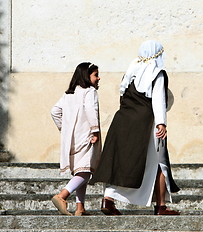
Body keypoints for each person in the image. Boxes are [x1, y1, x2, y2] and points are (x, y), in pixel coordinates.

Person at [90, 40, 180, 215]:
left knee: (123, 162)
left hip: (123, 121)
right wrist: (161, 122)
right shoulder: (157, 73)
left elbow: (123, 96)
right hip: (146, 124)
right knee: (161, 162)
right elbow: (158, 100)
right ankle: (161, 206)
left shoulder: (131, 72)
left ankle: (107, 200)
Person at [51, 62, 101, 216]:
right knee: (85, 171)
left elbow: (54, 111)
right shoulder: (89, 91)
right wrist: (95, 131)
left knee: (80, 171)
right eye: (95, 75)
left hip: (72, 139)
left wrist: (65, 129)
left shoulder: (69, 94)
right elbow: (91, 110)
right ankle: (62, 196)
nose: (98, 78)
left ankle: (80, 207)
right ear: (87, 76)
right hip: (86, 137)